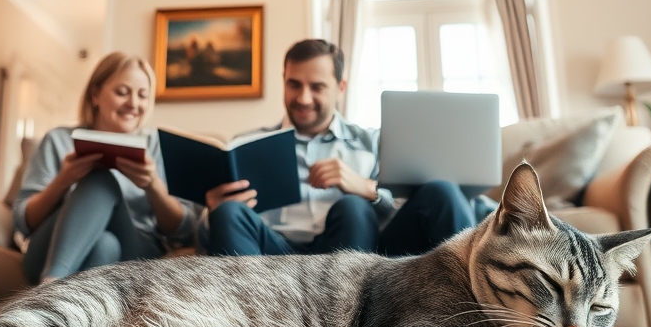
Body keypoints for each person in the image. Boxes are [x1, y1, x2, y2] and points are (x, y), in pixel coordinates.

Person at [203, 39, 477, 257]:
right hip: (273, 256)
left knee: (357, 207)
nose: (304, 98)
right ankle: (246, 320)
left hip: (356, 254)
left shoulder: (375, 143)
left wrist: (366, 189)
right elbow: (210, 236)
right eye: (294, 84)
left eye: (317, 87)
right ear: (283, 81)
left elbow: (406, 213)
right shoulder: (247, 145)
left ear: (341, 87)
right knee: (227, 212)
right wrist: (212, 213)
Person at [15, 52, 200, 283]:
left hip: (135, 251)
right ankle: (54, 279)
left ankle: (50, 293)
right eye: (122, 92)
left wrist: (153, 186)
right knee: (100, 189)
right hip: (49, 249)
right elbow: (23, 221)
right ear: (95, 94)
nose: (133, 103)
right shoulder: (58, 140)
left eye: (143, 95)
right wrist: (64, 180)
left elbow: (184, 231)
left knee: (107, 245)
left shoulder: (158, 146)